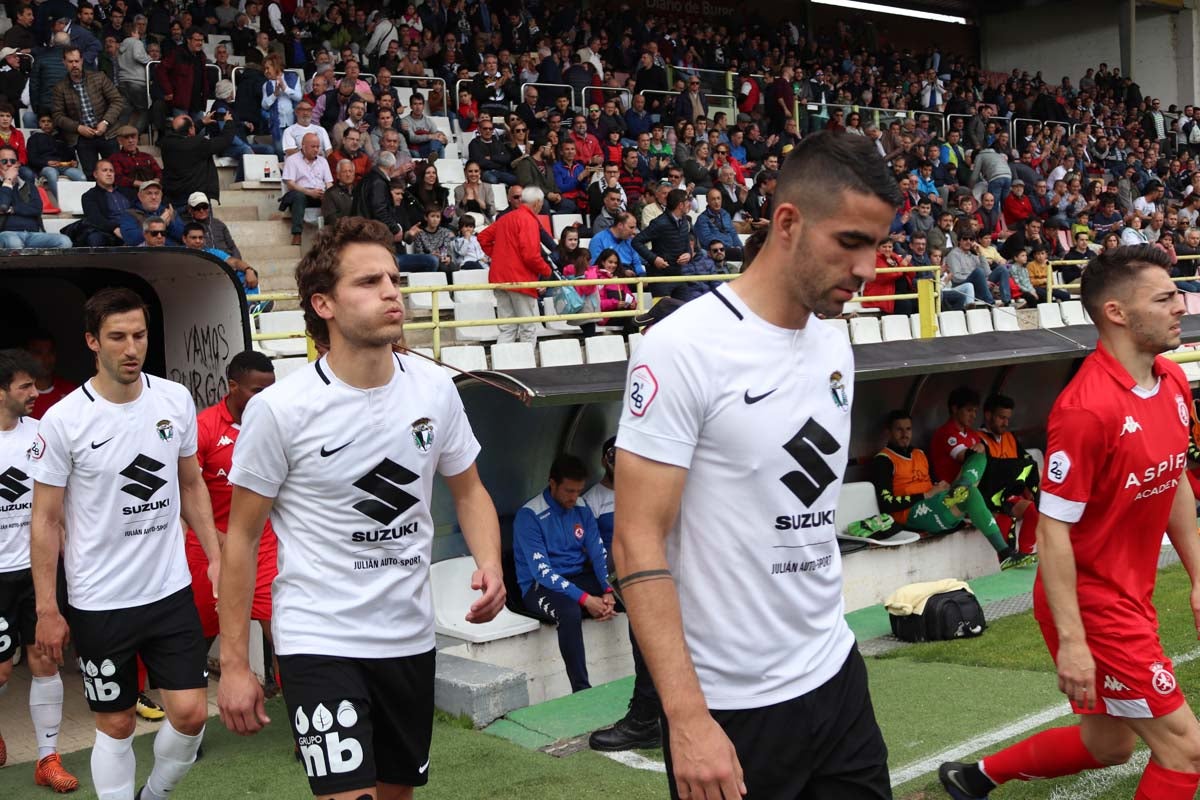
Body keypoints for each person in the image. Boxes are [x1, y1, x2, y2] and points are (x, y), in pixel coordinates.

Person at [613, 132, 900, 800]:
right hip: (731, 706)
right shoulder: (681, 348)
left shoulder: (835, 343)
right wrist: (684, 717)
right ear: (789, 223)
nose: (868, 268)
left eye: (879, 246)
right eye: (852, 242)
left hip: (835, 675)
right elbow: (636, 539)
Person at [216, 217, 506, 799]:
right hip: (319, 637)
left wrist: (490, 562)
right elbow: (242, 538)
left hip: (408, 637)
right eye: (369, 281)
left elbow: (469, 489)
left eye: (394, 279)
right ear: (322, 303)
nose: (392, 292)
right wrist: (233, 664)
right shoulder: (280, 410)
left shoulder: (434, 389)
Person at [940, 244, 1200, 800]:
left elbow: (1175, 476)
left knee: (1109, 746)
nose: (1181, 304)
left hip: (1132, 594)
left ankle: (974, 778)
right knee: (1185, 749)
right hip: (1093, 603)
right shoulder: (1086, 409)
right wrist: (1074, 641)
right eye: (1165, 297)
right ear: (1117, 314)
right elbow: (1053, 530)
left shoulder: (1172, 383)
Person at [30, 287, 222, 800]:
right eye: (117, 337)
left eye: (139, 335)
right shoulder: (64, 420)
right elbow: (46, 520)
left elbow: (190, 484)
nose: (131, 347)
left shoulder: (174, 399)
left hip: (169, 590)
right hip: (100, 601)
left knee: (190, 715)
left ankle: (154, 794)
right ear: (93, 341)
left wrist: (218, 557)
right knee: (115, 724)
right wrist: (48, 607)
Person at [0, 349, 80, 792]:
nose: (35, 393)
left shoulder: (41, 435)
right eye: (25, 387)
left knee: (45, 659)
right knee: (2, 672)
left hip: (37, 571)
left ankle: (47, 758)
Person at [184, 351, 277, 670]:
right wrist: (217, 540)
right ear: (233, 386)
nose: (267, 398)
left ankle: (298, 704)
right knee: (197, 638)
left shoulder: (277, 422)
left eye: (271, 389)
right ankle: (188, 712)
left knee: (282, 634)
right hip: (210, 550)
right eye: (257, 390)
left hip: (263, 549)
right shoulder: (204, 427)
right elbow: (186, 492)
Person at [870, 409, 1033, 568]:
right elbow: (887, 504)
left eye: (908, 429)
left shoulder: (919, 453)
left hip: (936, 502)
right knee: (972, 494)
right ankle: (1005, 553)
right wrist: (926, 495)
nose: (905, 434)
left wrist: (939, 487)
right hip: (910, 513)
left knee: (979, 456)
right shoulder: (883, 460)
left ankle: (963, 485)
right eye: (899, 429)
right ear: (889, 431)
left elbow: (932, 481)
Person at [514, 453, 614, 693]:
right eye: (569, 491)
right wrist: (586, 599)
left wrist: (610, 590)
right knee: (569, 612)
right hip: (539, 588)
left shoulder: (581, 508)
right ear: (552, 483)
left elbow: (598, 554)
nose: (574, 497)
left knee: (629, 594)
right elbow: (543, 573)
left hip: (577, 578)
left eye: (578, 491)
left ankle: (646, 678)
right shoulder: (529, 515)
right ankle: (582, 691)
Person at [477, 186, 553, 343]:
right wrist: (547, 271)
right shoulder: (529, 220)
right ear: (538, 202)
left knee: (507, 327)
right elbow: (531, 256)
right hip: (520, 279)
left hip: (500, 278)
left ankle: (503, 363)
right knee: (528, 327)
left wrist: (500, 256)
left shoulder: (506, 217)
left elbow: (483, 237)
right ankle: (526, 364)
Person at [50, 46, 124, 173]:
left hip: (107, 133)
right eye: (70, 61)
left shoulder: (99, 77)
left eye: (77, 61)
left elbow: (117, 100)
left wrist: (105, 122)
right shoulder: (59, 87)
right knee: (90, 174)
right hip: (81, 137)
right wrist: (78, 128)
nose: (74, 65)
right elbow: (57, 116)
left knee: (116, 172)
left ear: (82, 61)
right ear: (64, 63)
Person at [0, 145, 71, 248]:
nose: (9, 164)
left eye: (12, 161)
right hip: (6, 234)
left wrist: (13, 209)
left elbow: (37, 209)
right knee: (14, 243)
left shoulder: (28, 186)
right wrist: (8, 180)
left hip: (33, 234)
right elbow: (3, 205)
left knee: (64, 241)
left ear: (18, 164)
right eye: (4, 161)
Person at [160, 113, 233, 208]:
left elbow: (185, 136)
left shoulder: (166, 144)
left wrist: (201, 123)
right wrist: (229, 122)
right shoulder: (198, 144)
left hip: (173, 198)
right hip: (196, 201)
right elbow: (224, 140)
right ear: (190, 129)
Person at [632, 188, 692, 299]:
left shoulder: (684, 221)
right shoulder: (659, 223)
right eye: (688, 201)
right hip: (660, 277)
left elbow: (686, 243)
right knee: (663, 312)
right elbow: (636, 241)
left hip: (678, 275)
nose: (690, 204)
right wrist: (654, 259)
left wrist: (688, 254)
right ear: (680, 205)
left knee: (684, 312)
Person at [281, 132, 333, 246]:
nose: (316, 150)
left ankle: (332, 232)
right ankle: (297, 234)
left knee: (334, 197)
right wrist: (309, 192)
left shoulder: (323, 161)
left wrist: (329, 193)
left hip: (319, 193)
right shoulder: (292, 160)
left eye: (318, 147)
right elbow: (290, 184)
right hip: (300, 192)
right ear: (303, 146)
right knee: (299, 197)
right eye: (313, 147)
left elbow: (329, 182)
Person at [79, 158, 129, 246]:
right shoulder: (89, 196)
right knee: (95, 238)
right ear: (95, 174)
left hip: (131, 228)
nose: (109, 174)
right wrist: (114, 228)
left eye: (111, 171)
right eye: (104, 170)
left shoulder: (126, 192)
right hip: (109, 232)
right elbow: (95, 218)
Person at [24, 332, 75, 420]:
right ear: (28, 356)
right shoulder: (20, 394)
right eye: (39, 353)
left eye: (50, 352)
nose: (46, 359)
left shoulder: (71, 392)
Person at [120, 179, 183, 246]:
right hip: (144, 254)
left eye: (157, 193)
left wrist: (171, 224)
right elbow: (132, 239)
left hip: (171, 253)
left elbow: (184, 237)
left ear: (161, 196)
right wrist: (160, 222)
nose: (153, 197)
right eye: (149, 193)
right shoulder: (130, 214)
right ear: (140, 196)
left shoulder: (169, 212)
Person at [110, 124, 161, 201]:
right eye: (126, 138)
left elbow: (158, 172)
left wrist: (156, 181)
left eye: (133, 137)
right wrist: (141, 184)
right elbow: (118, 178)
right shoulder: (115, 158)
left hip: (151, 193)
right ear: (120, 141)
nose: (131, 141)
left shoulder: (147, 157)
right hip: (129, 195)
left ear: (137, 138)